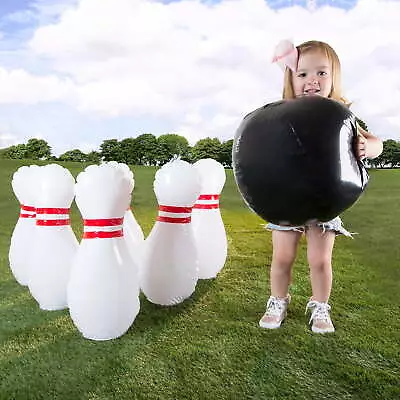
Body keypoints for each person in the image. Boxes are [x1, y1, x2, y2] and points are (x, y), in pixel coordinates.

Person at [259, 40, 383, 333]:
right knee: (283, 256)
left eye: (321, 73)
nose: (311, 80)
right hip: (286, 199)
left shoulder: (341, 117)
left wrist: (369, 147)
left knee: (319, 259)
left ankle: (320, 305)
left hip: (326, 199)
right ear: (290, 78)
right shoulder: (281, 114)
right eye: (302, 74)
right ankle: (278, 300)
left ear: (333, 78)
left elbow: (376, 142)